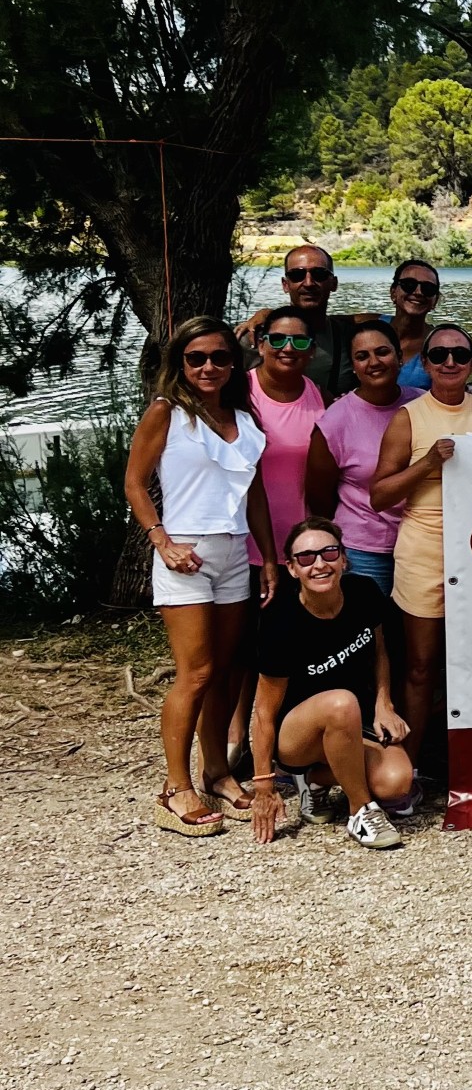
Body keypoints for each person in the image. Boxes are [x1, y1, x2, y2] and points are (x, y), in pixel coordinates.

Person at [123, 316, 274, 835]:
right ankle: (174, 785)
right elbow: (135, 483)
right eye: (196, 358)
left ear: (235, 364)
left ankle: (215, 770)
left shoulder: (244, 418)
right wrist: (161, 540)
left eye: (219, 357)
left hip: (234, 552)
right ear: (180, 364)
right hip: (184, 553)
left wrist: (270, 557)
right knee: (197, 672)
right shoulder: (166, 412)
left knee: (228, 670)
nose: (209, 366)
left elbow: (253, 494)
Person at [372, 321, 472, 775]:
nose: (450, 363)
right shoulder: (409, 417)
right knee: (422, 666)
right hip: (424, 545)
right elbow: (380, 494)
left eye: (460, 355)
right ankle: (409, 765)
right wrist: (427, 462)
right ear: (424, 364)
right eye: (440, 355)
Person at [248, 519, 413, 851]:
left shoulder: (363, 591)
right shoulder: (281, 622)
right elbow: (264, 713)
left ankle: (314, 783)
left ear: (343, 559)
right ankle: (361, 812)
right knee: (341, 702)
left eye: (329, 553)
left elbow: (380, 650)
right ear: (293, 569)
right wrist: (264, 785)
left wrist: (384, 703)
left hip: (353, 723)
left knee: (397, 782)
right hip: (298, 736)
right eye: (306, 558)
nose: (319, 564)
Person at [306, 317, 411, 593]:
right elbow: (319, 496)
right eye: (362, 356)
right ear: (353, 366)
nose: (374, 362)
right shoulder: (335, 421)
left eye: (383, 352)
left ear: (400, 356)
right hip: (363, 549)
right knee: (370, 629)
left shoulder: (422, 403)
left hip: (421, 542)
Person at [247, 307, 327, 567]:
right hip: (246, 546)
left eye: (300, 341)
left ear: (312, 350)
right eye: (278, 339)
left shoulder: (321, 398)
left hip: (305, 547)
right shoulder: (236, 394)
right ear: (261, 345)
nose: (289, 348)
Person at [237, 245, 359, 399]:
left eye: (319, 274)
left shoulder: (349, 337)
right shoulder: (253, 338)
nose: (308, 283)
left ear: (333, 283)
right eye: (297, 275)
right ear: (285, 285)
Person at [388, 259, 442, 392]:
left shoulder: (440, 345)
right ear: (393, 292)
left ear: (435, 300)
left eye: (428, 288)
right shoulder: (368, 325)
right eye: (409, 284)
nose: (418, 292)